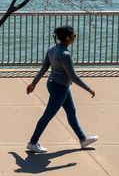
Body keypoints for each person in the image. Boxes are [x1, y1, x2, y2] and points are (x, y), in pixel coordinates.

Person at [25, 25, 99, 154]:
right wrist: (89, 89)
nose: (75, 37)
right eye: (73, 35)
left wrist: (34, 83)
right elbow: (73, 77)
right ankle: (32, 143)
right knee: (47, 115)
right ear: (67, 37)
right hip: (60, 88)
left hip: (53, 83)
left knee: (71, 111)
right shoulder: (64, 54)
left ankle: (83, 139)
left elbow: (44, 69)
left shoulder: (52, 49)